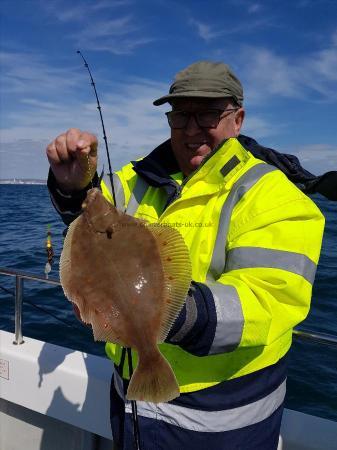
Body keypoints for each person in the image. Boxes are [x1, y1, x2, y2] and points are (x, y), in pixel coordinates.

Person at [46, 61, 325, 450]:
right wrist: (75, 185)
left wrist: (164, 309)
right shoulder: (132, 179)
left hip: (224, 422)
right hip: (129, 404)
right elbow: (87, 225)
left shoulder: (274, 195)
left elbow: (270, 298)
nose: (192, 129)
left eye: (208, 114)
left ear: (237, 119)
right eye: (180, 116)